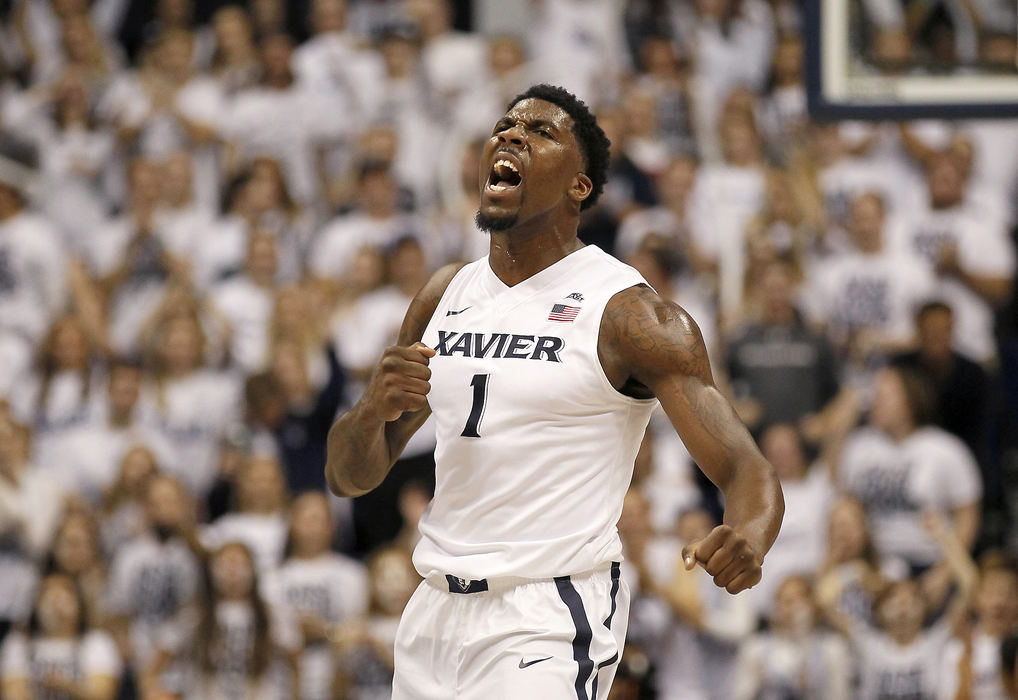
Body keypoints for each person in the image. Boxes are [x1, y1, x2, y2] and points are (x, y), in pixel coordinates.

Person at [325, 83, 784, 698]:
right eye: (506, 125)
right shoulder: (444, 294)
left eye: (540, 132)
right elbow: (348, 476)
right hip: (434, 610)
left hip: (548, 611)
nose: (511, 135)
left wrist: (750, 534)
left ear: (579, 186)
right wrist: (369, 411)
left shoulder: (630, 314)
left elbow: (745, 466)